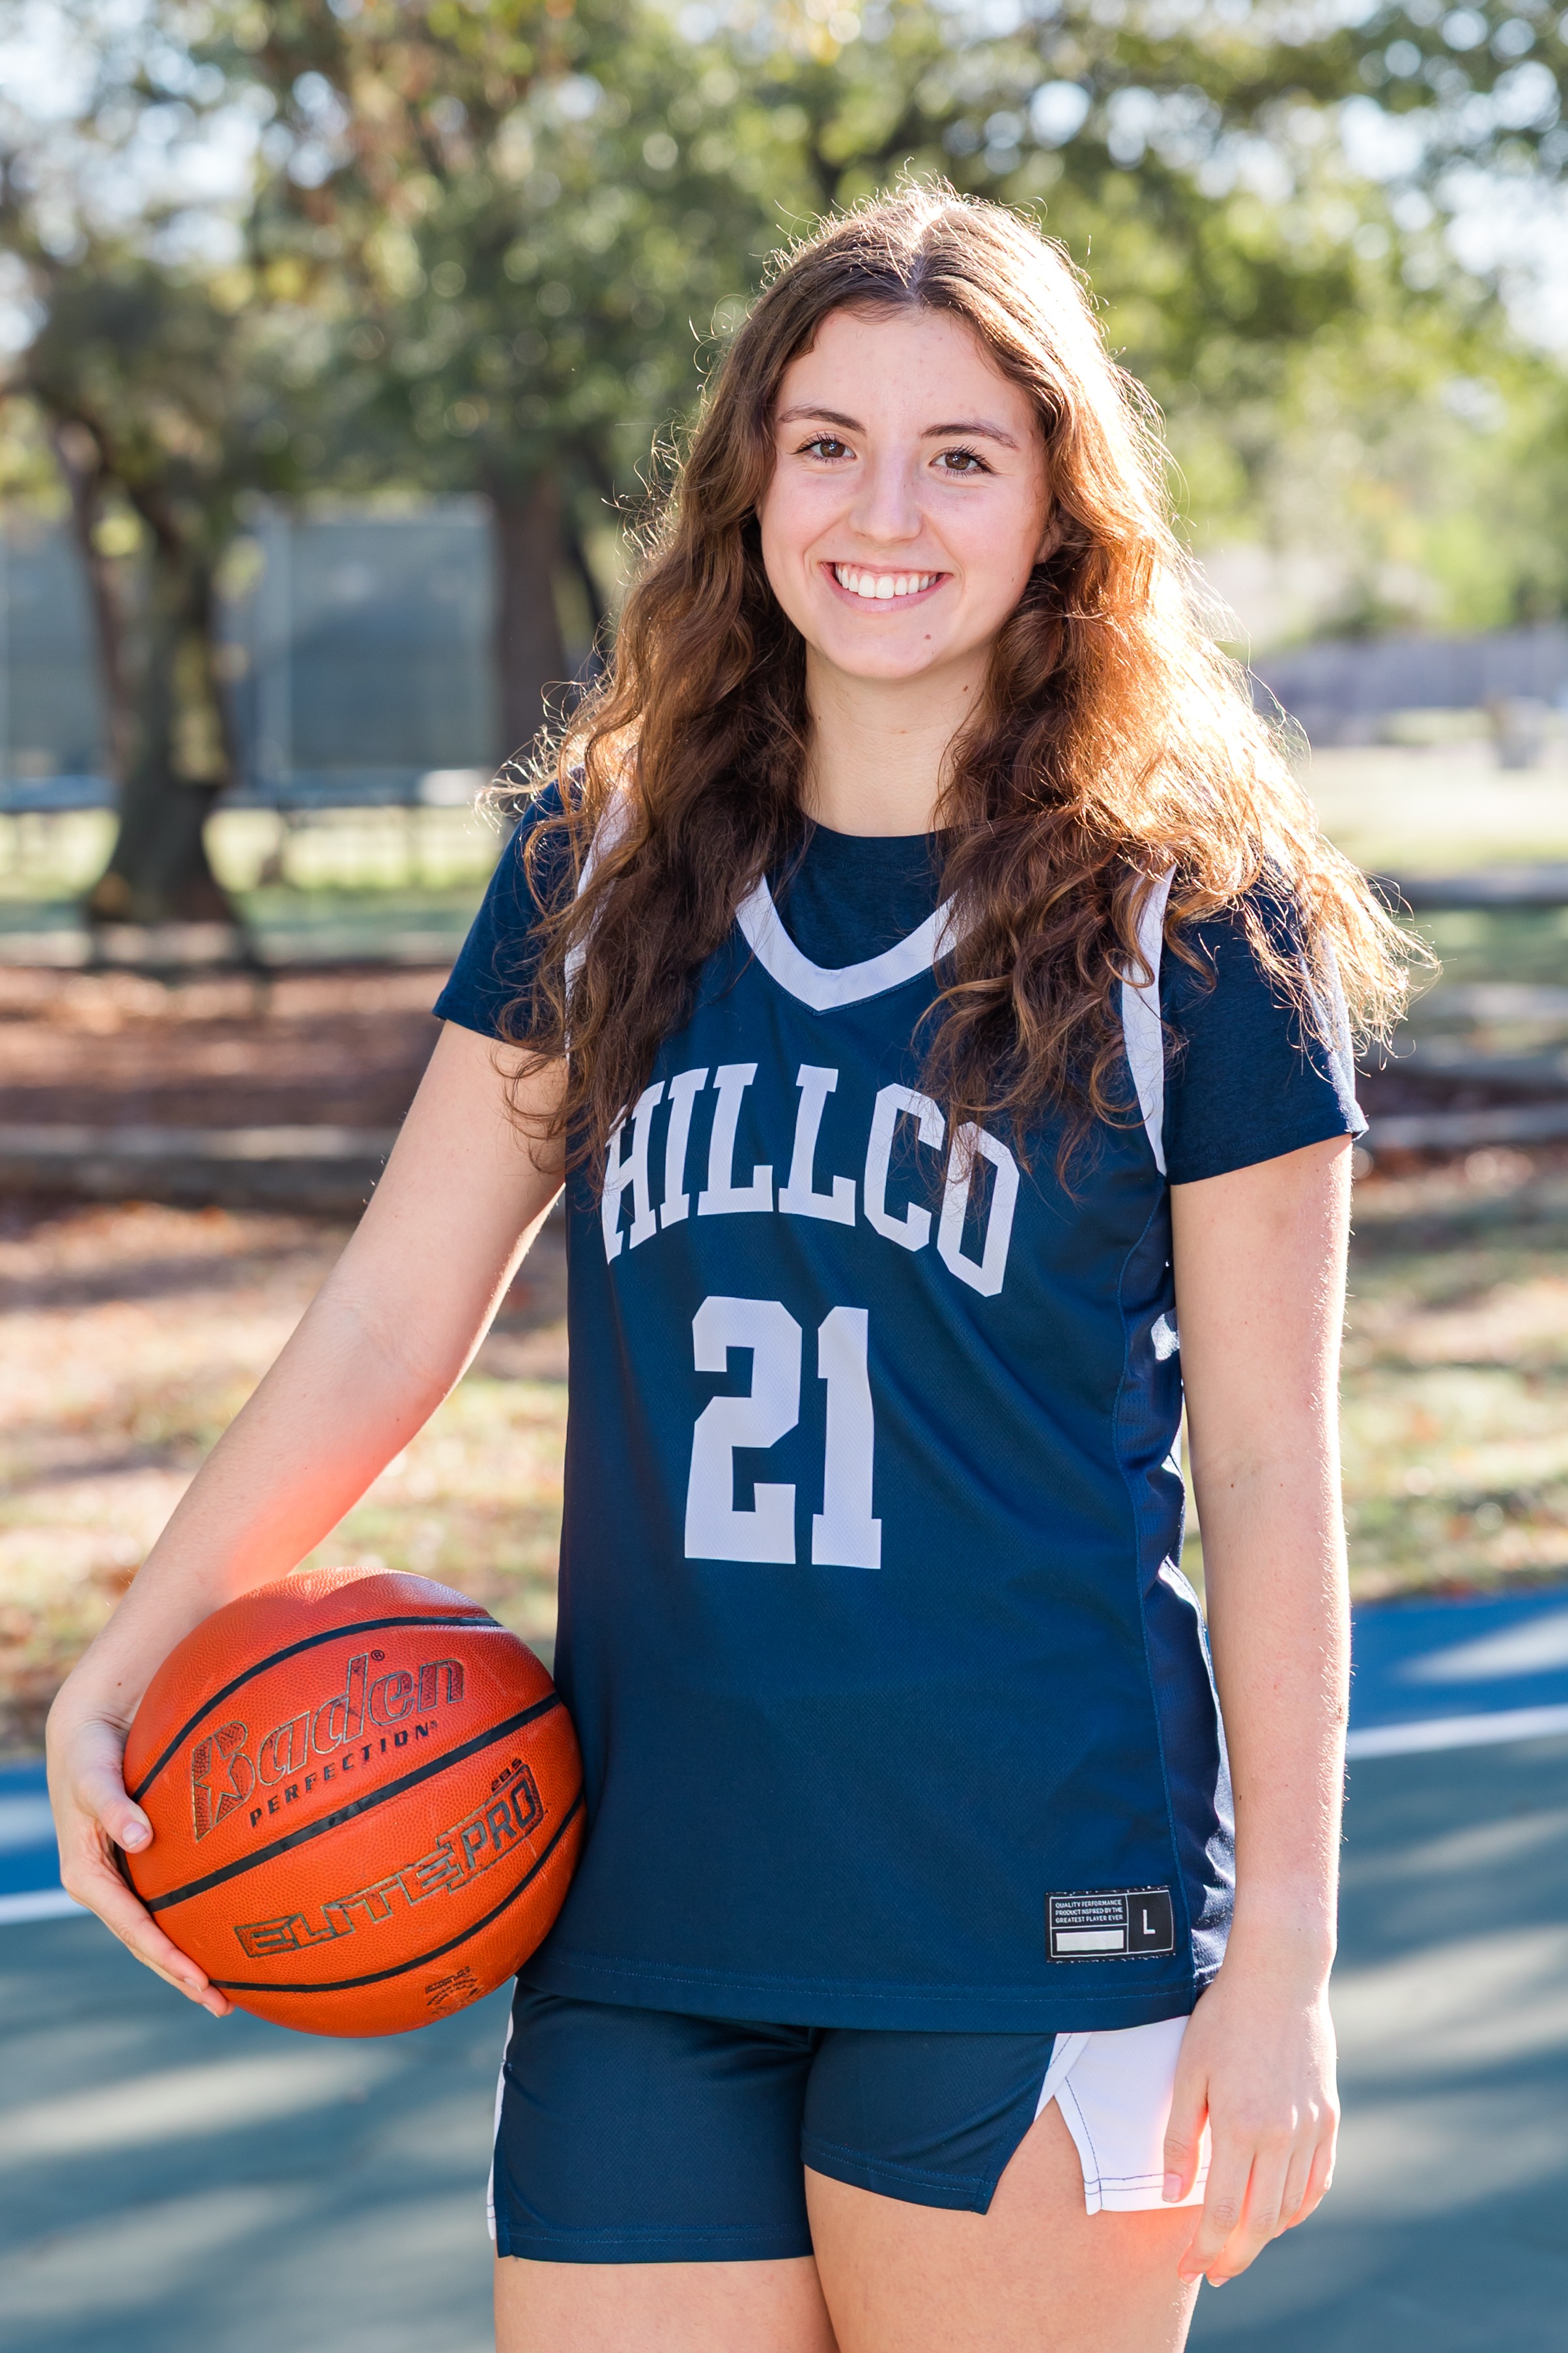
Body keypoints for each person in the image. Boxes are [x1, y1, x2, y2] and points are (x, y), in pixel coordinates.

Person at [48, 188, 1408, 2353]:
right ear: (749, 483)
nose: (887, 513)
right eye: (827, 444)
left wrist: (1288, 1964)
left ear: (1062, 503)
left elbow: (1266, 1469)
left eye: (961, 454)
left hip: (1030, 1907)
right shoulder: (599, 875)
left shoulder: (1196, 923)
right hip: (648, 1912)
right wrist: (132, 1650)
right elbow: (392, 1316)